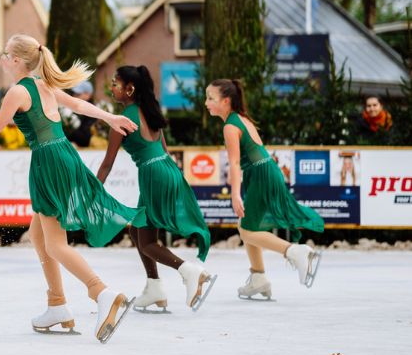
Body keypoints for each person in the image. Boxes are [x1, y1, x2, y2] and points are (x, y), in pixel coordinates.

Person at [0, 34, 140, 343]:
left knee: (54, 243)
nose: (2, 57)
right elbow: (78, 103)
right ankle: (58, 307)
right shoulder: (42, 84)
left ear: (15, 61)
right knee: (39, 235)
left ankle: (101, 292)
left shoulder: (17, 91)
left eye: (5, 53)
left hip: (48, 161)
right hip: (62, 154)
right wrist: (109, 116)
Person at [96, 66, 213, 314]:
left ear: (129, 89)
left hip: (153, 174)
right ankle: (155, 287)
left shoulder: (122, 121)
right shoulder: (150, 110)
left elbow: (107, 165)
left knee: (147, 240)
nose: (110, 87)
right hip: (167, 170)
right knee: (137, 231)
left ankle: (188, 271)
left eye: (115, 83)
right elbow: (166, 151)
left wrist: (92, 192)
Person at [205, 79, 325, 300]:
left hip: (261, 175)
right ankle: (259, 278)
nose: (206, 102)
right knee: (245, 225)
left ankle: (296, 252)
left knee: (247, 230)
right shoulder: (239, 119)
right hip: (263, 172)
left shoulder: (231, 126)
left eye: (211, 98)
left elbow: (233, 164)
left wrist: (234, 195)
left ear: (226, 101)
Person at [65, 81, 98, 148]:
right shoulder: (75, 110)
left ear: (88, 95)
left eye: (78, 93)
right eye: (74, 93)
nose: (74, 95)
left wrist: (68, 127)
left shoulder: (92, 114)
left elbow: (85, 140)